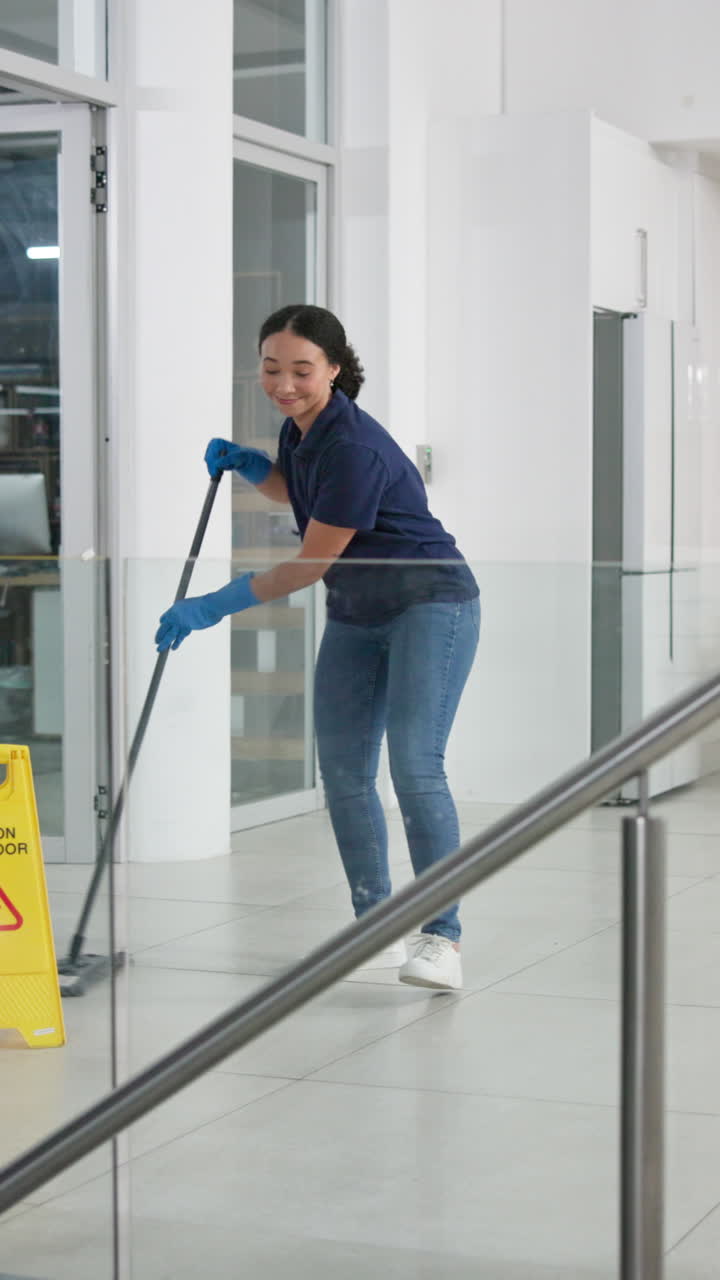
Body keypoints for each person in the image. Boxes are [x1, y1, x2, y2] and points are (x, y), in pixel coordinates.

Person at [156, 305, 480, 991]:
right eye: (271, 368)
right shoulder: (302, 432)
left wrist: (213, 606)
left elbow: (308, 563)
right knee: (343, 772)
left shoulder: (355, 445)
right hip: (358, 611)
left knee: (416, 766)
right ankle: (375, 926)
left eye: (302, 371)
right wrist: (253, 466)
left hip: (431, 604)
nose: (284, 384)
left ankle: (441, 939)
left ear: (334, 368)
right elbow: (302, 492)